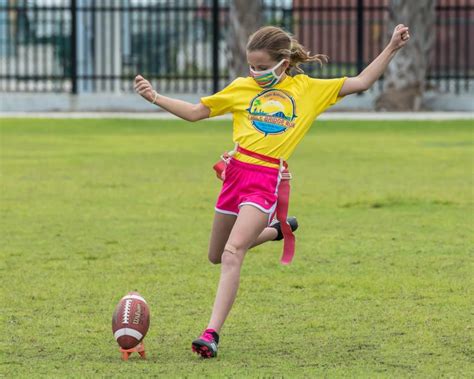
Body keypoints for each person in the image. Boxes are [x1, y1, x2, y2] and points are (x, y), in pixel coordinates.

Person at [134, 24, 410, 359]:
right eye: (252, 66)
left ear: (283, 61)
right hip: (234, 176)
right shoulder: (240, 88)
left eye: (263, 67)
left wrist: (392, 47)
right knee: (217, 255)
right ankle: (275, 232)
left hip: (265, 181)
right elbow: (195, 113)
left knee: (234, 252)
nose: (255, 73)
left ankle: (211, 334)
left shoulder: (307, 90)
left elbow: (363, 82)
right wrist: (155, 97)